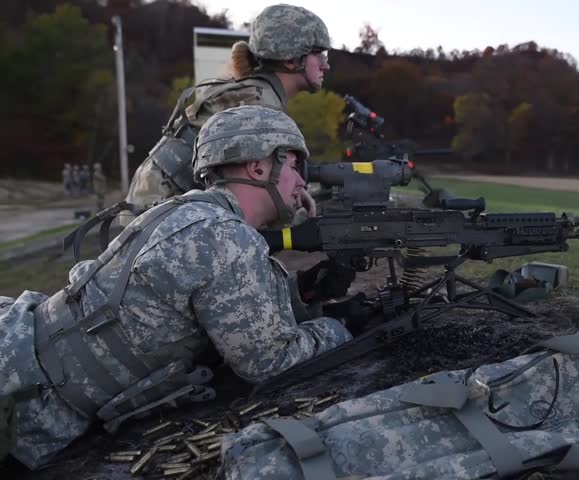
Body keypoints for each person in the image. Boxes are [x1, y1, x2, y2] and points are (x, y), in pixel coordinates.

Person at [0, 106, 354, 469]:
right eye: (296, 166)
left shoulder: (182, 212)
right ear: (259, 166)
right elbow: (271, 362)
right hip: (28, 403)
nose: (302, 183)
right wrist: (337, 328)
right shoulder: (226, 237)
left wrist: (302, 292)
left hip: (20, 348)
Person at [124, 3, 331, 216]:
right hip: (160, 213)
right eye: (319, 55)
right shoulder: (258, 107)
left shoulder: (250, 93)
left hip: (151, 204)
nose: (326, 65)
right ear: (291, 59)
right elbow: (248, 194)